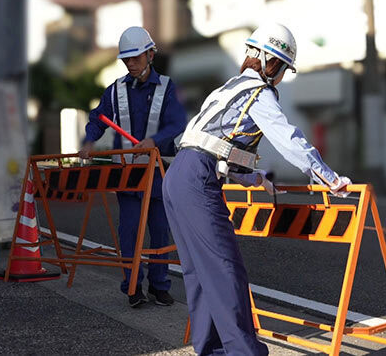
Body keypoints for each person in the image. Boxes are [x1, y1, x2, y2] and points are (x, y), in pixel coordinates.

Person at [162, 23, 351, 355]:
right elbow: (289, 139)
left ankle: (212, 351)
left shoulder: (228, 88)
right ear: (270, 62)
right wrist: (329, 177)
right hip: (197, 178)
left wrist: (255, 177)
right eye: (281, 69)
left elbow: (219, 146)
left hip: (179, 174)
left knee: (200, 275)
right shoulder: (257, 93)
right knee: (225, 271)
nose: (279, 77)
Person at [79, 26, 187, 308]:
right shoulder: (115, 91)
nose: (130, 63)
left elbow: (178, 123)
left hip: (159, 174)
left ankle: (160, 286)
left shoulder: (167, 87)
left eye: (136, 57)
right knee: (129, 233)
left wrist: (155, 139)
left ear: (151, 54)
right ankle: (132, 288)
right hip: (127, 176)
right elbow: (98, 118)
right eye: (126, 59)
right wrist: (89, 141)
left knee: (159, 231)